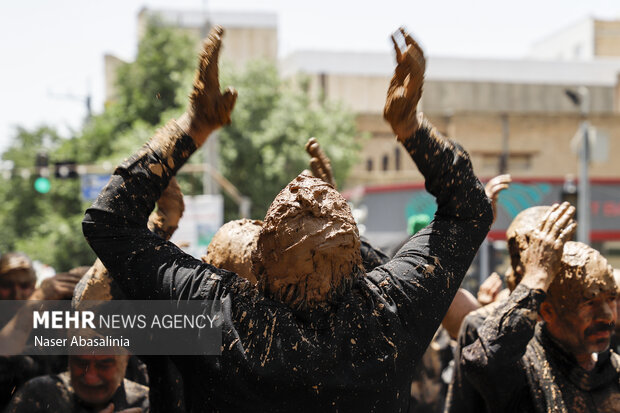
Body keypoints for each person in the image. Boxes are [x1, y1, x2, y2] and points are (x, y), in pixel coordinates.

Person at [82, 26, 492, 411]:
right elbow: (469, 211)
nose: (299, 184)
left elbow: (110, 223)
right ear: (359, 264)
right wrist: (410, 127)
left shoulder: (215, 319)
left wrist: (193, 127)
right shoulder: (390, 314)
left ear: (258, 266)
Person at [461, 205, 620, 412]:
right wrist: (536, 277)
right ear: (547, 312)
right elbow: (483, 361)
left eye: (611, 299)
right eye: (589, 303)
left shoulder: (613, 369)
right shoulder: (525, 368)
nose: (607, 315)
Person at [444, 205, 563, 413]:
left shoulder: (578, 316)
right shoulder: (481, 323)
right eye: (516, 256)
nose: (520, 268)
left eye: (538, 256)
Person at [0, 254, 84, 410]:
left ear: (33, 285)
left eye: (24, 286)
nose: (16, 294)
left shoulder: (46, 321)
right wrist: (37, 300)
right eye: (6, 285)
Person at [4, 353, 147, 413]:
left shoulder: (147, 403)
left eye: (104, 365)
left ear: (126, 358)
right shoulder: (39, 395)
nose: (90, 377)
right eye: (80, 362)